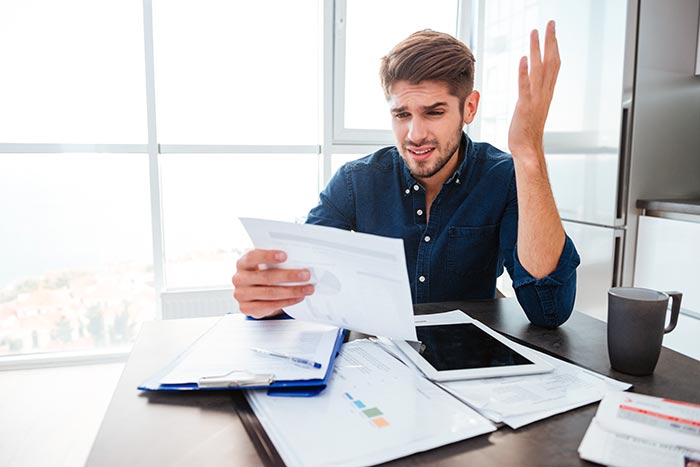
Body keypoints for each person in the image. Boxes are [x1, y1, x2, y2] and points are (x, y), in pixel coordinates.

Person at [233, 21, 580, 328]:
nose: (415, 134)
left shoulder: (504, 177)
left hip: (469, 365)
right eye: (402, 115)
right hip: (376, 362)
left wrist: (529, 153)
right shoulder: (356, 182)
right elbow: (304, 285)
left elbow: (548, 311)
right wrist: (266, 299)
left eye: (433, 112)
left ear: (469, 107)